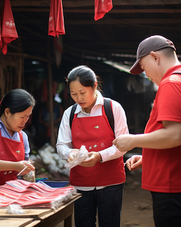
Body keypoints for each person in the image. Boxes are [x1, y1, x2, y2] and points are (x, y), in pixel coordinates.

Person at [113, 35, 181, 227]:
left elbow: (175, 136)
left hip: (174, 185)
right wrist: (148, 157)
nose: (146, 74)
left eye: (144, 66)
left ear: (155, 57)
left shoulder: (171, 83)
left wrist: (133, 140)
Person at [56, 65, 129, 227]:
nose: (78, 98)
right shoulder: (69, 113)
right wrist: (71, 153)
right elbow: (61, 145)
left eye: (82, 93)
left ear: (94, 86)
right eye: (73, 94)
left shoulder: (113, 108)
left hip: (111, 182)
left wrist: (99, 156)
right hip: (80, 182)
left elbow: (123, 145)